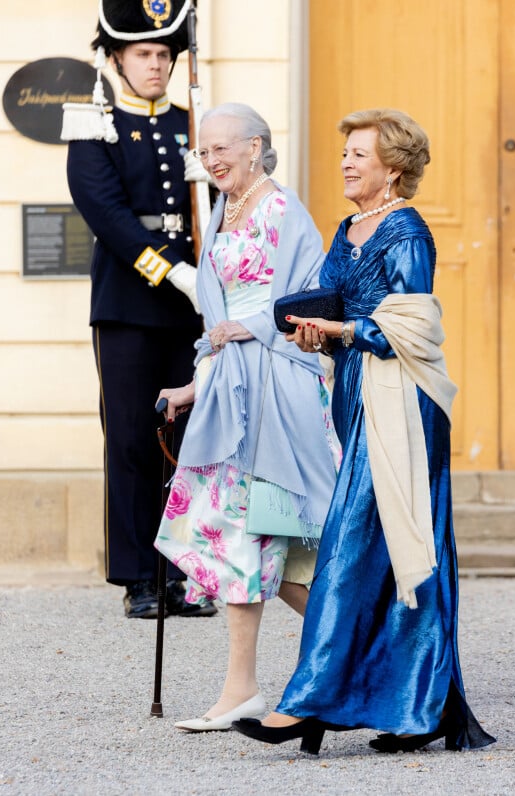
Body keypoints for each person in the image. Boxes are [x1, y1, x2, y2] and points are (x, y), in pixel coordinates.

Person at [232, 108, 496, 755]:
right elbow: (326, 298)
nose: (346, 162)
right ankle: (418, 709)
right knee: (384, 552)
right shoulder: (348, 227)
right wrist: (307, 326)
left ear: (393, 168)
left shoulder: (406, 231)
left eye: (358, 153)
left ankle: (308, 703)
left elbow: (416, 327)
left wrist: (346, 331)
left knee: (357, 544)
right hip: (355, 391)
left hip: (401, 402)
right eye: (345, 152)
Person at [153, 102, 340, 731]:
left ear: (256, 146)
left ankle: (361, 661)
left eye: (220, 149)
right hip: (234, 385)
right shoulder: (222, 209)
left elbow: (310, 301)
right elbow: (218, 321)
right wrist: (194, 385)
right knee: (247, 540)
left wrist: (253, 327)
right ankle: (250, 687)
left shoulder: (283, 209)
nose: (209, 162)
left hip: (277, 387)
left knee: (275, 541)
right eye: (202, 153)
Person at [64, 0, 216, 620]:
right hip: (128, 304)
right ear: (117, 59)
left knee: (185, 436)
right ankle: (137, 577)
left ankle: (178, 571)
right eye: (144, 55)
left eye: (164, 55)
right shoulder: (93, 123)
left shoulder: (193, 122)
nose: (156, 66)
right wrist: (172, 271)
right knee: (129, 436)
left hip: (192, 308)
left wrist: (213, 175)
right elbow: (106, 215)